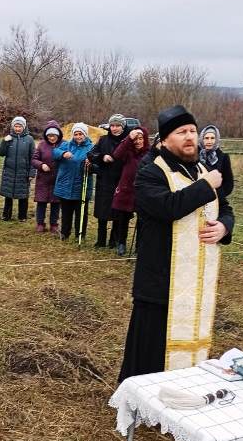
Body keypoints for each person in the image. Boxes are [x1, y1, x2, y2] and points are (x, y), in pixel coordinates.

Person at [118, 105, 234, 382]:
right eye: (181, 132)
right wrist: (206, 186)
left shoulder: (202, 169)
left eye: (193, 131)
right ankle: (139, 399)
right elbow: (168, 207)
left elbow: (225, 207)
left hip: (195, 280)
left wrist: (224, 227)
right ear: (165, 139)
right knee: (150, 347)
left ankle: (183, 389)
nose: (190, 137)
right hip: (160, 278)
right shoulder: (150, 171)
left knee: (191, 338)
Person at [88, 114, 129, 249]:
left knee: (119, 212)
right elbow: (91, 154)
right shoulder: (103, 140)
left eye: (117, 126)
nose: (115, 128)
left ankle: (114, 240)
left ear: (123, 127)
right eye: (112, 125)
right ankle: (101, 240)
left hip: (121, 181)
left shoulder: (128, 141)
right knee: (102, 211)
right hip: (104, 180)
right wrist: (102, 156)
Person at [110, 126, 150, 256]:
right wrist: (128, 138)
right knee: (123, 218)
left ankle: (140, 246)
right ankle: (121, 243)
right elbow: (116, 154)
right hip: (126, 189)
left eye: (140, 138)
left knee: (142, 220)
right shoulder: (128, 152)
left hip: (142, 191)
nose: (138, 141)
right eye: (135, 139)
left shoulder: (149, 154)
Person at [53, 123, 93, 240]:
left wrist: (90, 163)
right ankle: (65, 232)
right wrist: (63, 153)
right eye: (76, 134)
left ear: (85, 135)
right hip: (65, 185)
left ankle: (80, 234)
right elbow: (54, 152)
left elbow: (96, 161)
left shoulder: (91, 147)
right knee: (66, 211)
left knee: (81, 213)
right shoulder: (66, 145)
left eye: (80, 134)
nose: (78, 136)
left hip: (81, 185)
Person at [0, 116, 35, 221]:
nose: (17, 128)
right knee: (8, 194)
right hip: (9, 171)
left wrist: (32, 173)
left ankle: (22, 216)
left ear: (24, 127)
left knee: (23, 195)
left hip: (23, 172)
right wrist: (4, 142)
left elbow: (33, 157)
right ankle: (6, 215)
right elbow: (1, 153)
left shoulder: (29, 140)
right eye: (16, 126)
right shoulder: (9, 138)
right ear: (12, 126)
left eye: (20, 126)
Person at [31, 120, 63, 234]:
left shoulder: (64, 144)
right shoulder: (41, 145)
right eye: (49, 135)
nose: (51, 138)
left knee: (56, 203)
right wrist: (41, 165)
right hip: (43, 179)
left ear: (58, 135)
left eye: (54, 136)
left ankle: (54, 224)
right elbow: (34, 160)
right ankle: (40, 223)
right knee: (41, 202)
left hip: (58, 179)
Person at [199, 124, 234, 197]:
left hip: (215, 198)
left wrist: (218, 196)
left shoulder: (223, 157)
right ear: (202, 139)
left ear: (216, 139)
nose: (209, 141)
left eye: (212, 138)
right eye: (206, 138)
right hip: (196, 196)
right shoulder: (194, 155)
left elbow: (228, 183)